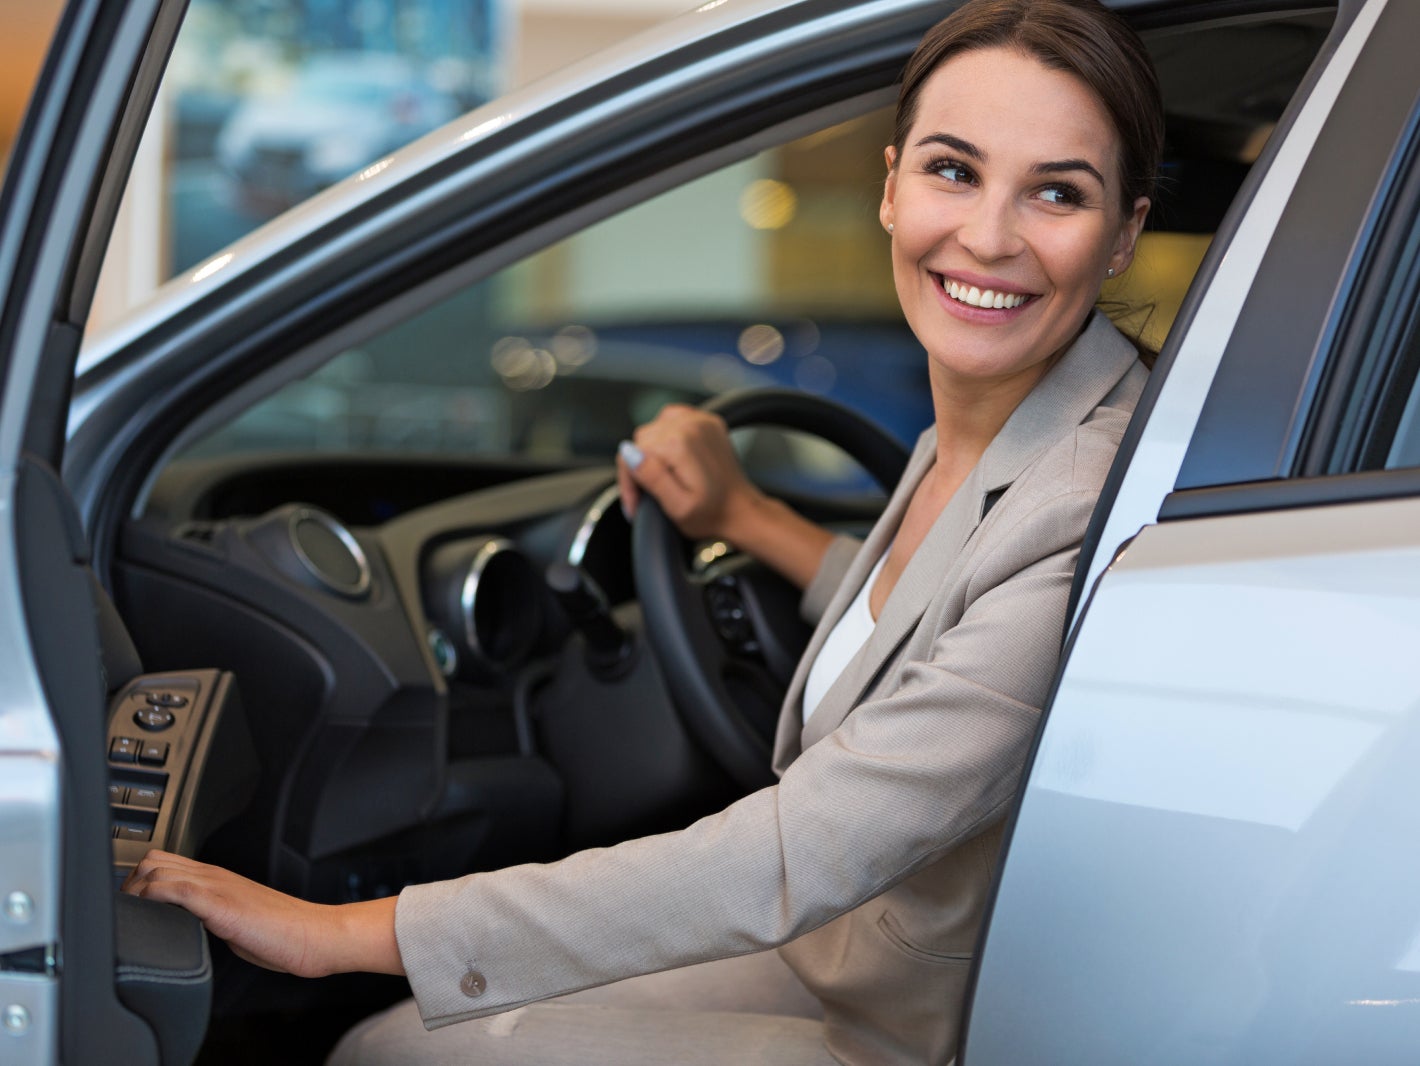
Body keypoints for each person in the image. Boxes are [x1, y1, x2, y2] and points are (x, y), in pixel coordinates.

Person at [122, 1, 1162, 1061]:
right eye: (954, 170)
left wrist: (335, 929)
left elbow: (794, 851)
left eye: (1056, 192)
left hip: (917, 1022)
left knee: (387, 1051)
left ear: (1124, 231)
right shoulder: (1003, 427)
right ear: (892, 186)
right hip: (844, 950)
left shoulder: (1084, 497)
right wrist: (744, 517)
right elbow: (937, 618)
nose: (988, 235)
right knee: (404, 1032)